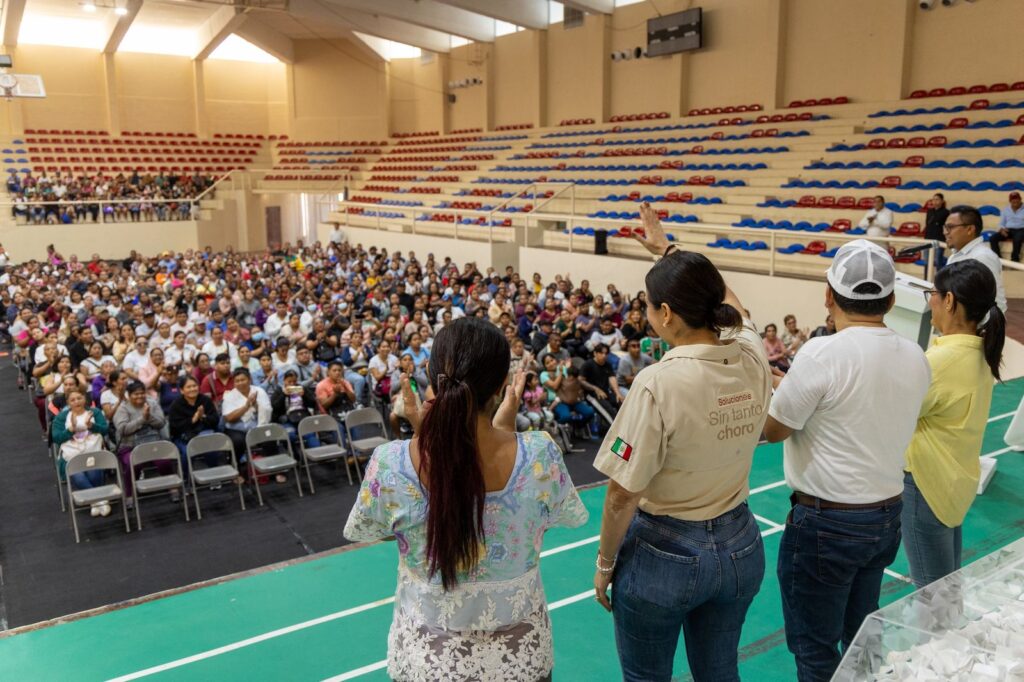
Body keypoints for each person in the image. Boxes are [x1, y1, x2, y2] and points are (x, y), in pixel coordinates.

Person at [343, 317, 588, 682]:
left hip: (431, 660)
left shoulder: (391, 463)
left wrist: (422, 434)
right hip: (519, 658)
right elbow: (554, 514)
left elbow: (372, 528)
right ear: (503, 385)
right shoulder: (541, 455)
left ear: (431, 377)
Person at [592, 204, 771, 682]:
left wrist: (606, 562)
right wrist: (669, 251)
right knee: (719, 672)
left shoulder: (657, 383)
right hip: (740, 544)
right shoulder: (752, 353)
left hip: (664, 554)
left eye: (648, 306)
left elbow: (622, 493)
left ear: (665, 314)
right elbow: (737, 304)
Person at [763, 240, 932, 682]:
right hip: (884, 516)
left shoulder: (822, 354)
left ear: (827, 295)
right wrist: (796, 383)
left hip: (827, 525)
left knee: (815, 650)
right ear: (892, 300)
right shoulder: (916, 355)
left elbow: (772, 429)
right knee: (862, 638)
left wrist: (776, 388)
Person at [904, 260, 1005, 588]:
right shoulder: (979, 352)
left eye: (932, 293)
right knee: (947, 587)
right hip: (952, 484)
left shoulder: (941, 362)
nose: (930, 301)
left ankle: (941, 642)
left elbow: (895, 413)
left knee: (932, 597)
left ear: (949, 300)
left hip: (926, 485)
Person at [55, 388, 111, 516]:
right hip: (72, 456)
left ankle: (94, 502)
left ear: (85, 399)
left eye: (79, 398)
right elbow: (57, 438)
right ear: (68, 403)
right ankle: (99, 500)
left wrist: (92, 426)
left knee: (93, 472)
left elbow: (105, 430)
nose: (76, 402)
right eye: (72, 400)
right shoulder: (61, 417)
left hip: (93, 452)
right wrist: (71, 429)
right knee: (78, 476)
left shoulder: (95, 412)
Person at [944, 205, 1007, 312]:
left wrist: (981, 329)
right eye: (945, 227)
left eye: (950, 227)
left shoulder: (982, 257)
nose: (945, 232)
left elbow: (996, 304)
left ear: (970, 229)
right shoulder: (954, 256)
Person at [114, 381, 168, 502]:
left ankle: (172, 487)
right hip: (130, 446)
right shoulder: (123, 409)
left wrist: (149, 417)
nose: (140, 396)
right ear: (129, 394)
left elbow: (161, 423)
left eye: (142, 393)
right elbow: (123, 430)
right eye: (136, 394)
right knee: (134, 462)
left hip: (152, 444)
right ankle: (129, 493)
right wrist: (142, 419)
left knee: (164, 462)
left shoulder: (152, 404)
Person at [167, 375, 220, 469]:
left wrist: (203, 416)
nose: (192, 389)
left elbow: (215, 420)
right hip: (184, 437)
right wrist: (193, 419)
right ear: (182, 390)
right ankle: (187, 479)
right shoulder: (176, 405)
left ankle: (213, 475)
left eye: (194, 386)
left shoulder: (205, 400)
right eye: (188, 387)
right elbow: (175, 427)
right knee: (186, 453)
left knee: (212, 449)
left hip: (204, 434)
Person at [580, 343, 622, 424]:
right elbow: (581, 381)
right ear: (595, 353)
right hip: (591, 395)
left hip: (605, 392)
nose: (604, 356)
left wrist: (618, 393)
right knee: (610, 412)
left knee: (621, 402)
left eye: (606, 353)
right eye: (601, 353)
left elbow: (612, 378)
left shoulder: (607, 365)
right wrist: (595, 388)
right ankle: (615, 432)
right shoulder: (588, 364)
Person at [988, 191, 1024, 262]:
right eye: (1013, 199)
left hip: (1021, 229)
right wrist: (1002, 229)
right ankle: (998, 260)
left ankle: (1015, 260)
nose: (1015, 200)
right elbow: (1001, 223)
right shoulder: (1006, 210)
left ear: (1020, 199)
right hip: (1008, 230)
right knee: (993, 238)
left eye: (1016, 199)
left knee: (1017, 238)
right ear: (1010, 201)